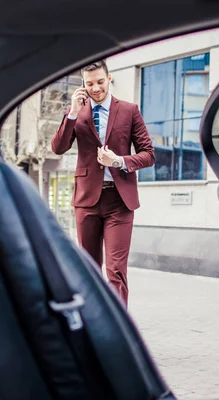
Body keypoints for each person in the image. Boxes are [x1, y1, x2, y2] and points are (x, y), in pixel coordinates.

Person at [52, 60, 155, 307]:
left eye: (100, 81)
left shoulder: (129, 110)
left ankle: (119, 326)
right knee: (89, 268)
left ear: (109, 78)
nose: (95, 88)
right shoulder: (77, 112)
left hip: (119, 201)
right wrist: (72, 113)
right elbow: (58, 147)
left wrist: (119, 160)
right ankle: (94, 321)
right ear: (83, 84)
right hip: (87, 201)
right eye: (89, 84)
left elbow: (149, 154)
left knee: (116, 271)